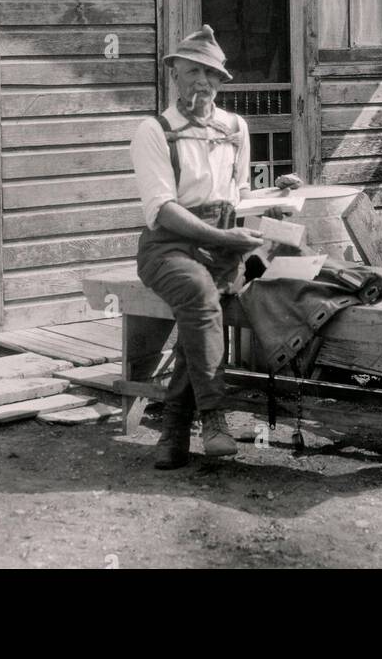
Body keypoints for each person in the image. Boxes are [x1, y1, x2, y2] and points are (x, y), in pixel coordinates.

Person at [129, 25, 265, 469]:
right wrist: (224, 239)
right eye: (192, 72)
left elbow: (239, 195)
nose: (201, 83)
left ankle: (171, 434)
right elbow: (163, 210)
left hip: (222, 249)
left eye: (210, 74)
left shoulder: (236, 128)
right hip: (167, 248)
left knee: (201, 313)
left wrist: (277, 194)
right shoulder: (153, 131)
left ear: (221, 81)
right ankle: (214, 415)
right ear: (174, 75)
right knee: (201, 295)